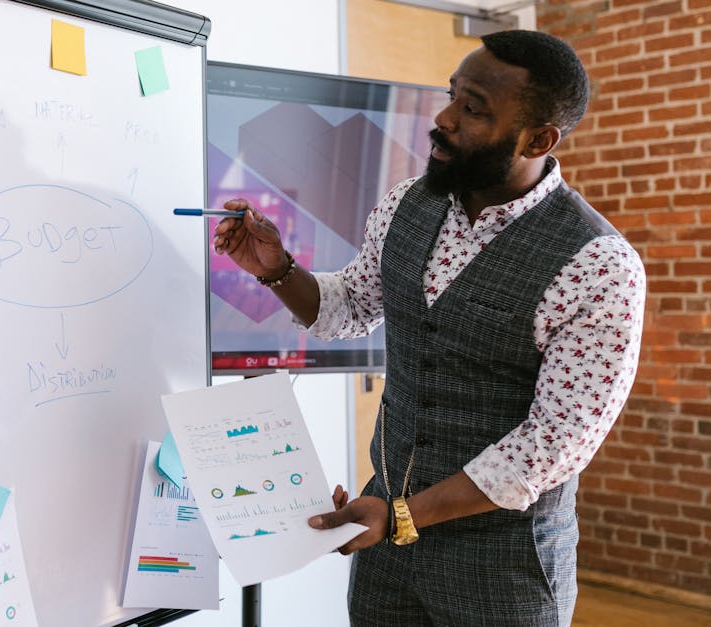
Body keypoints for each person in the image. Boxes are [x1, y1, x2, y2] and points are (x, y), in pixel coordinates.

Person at [212, 30, 645, 626]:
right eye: (451, 96)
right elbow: (351, 306)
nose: (443, 120)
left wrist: (402, 516)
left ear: (538, 139)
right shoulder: (406, 204)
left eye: (474, 109)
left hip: (503, 567)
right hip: (385, 552)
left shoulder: (598, 264)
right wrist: (277, 269)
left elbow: (552, 444)